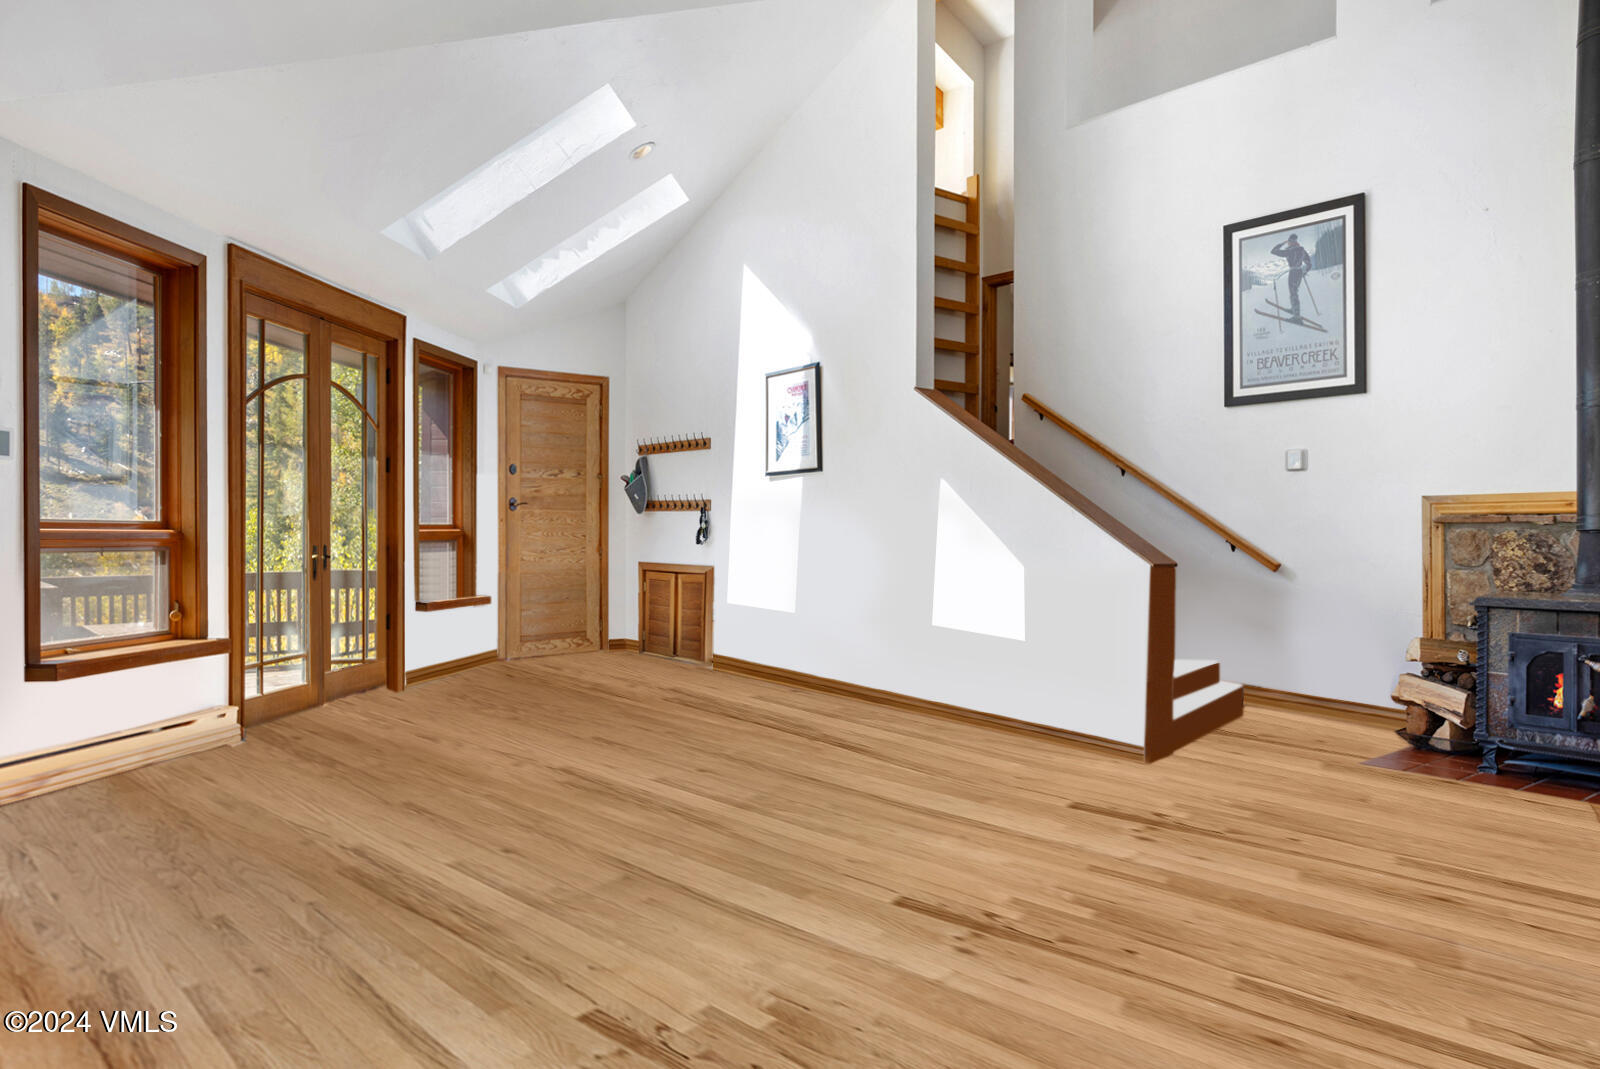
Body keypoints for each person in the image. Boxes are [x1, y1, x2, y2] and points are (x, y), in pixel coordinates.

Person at [1271, 233, 1314, 319]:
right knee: (1294, 292)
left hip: (1293, 272)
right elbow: (1309, 263)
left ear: (1291, 242)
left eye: (1289, 242)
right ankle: (1294, 309)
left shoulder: (1290, 251)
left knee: (1293, 293)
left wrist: (1282, 243)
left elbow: (1273, 251)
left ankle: (1296, 316)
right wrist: (1304, 272)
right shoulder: (1302, 250)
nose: (1288, 243)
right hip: (1299, 272)